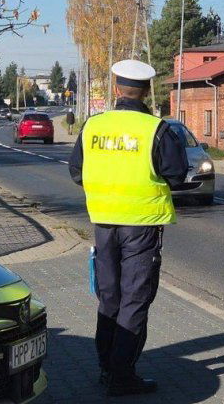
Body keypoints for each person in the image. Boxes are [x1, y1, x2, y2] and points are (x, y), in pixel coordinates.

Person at [68, 59, 188, 396]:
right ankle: (122, 377)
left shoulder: (93, 126)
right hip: (143, 224)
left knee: (109, 296)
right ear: (147, 91)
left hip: (103, 222)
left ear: (116, 89)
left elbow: (77, 172)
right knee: (134, 299)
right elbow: (176, 175)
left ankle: (106, 367)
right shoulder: (156, 129)